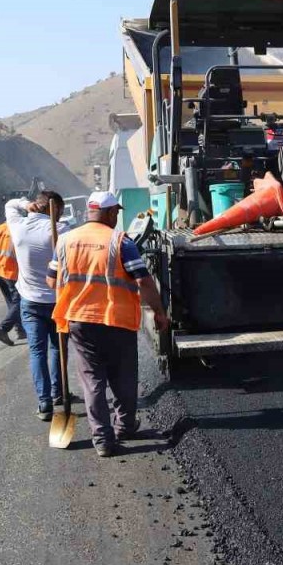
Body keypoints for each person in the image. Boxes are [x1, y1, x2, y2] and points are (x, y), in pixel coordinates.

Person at [50, 191, 169, 458]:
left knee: (92, 380)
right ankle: (124, 427)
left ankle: (102, 440)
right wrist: (159, 312)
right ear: (111, 212)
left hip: (80, 321)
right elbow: (143, 280)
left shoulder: (65, 241)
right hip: (116, 321)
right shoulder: (120, 241)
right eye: (116, 212)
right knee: (123, 376)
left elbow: (51, 280)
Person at [5, 190, 67, 421]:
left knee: (37, 350)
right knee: (57, 348)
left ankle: (45, 402)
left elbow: (10, 205)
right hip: (56, 301)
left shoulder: (18, 226)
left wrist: (24, 203)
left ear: (35, 206)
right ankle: (58, 392)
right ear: (57, 210)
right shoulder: (61, 230)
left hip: (30, 301)